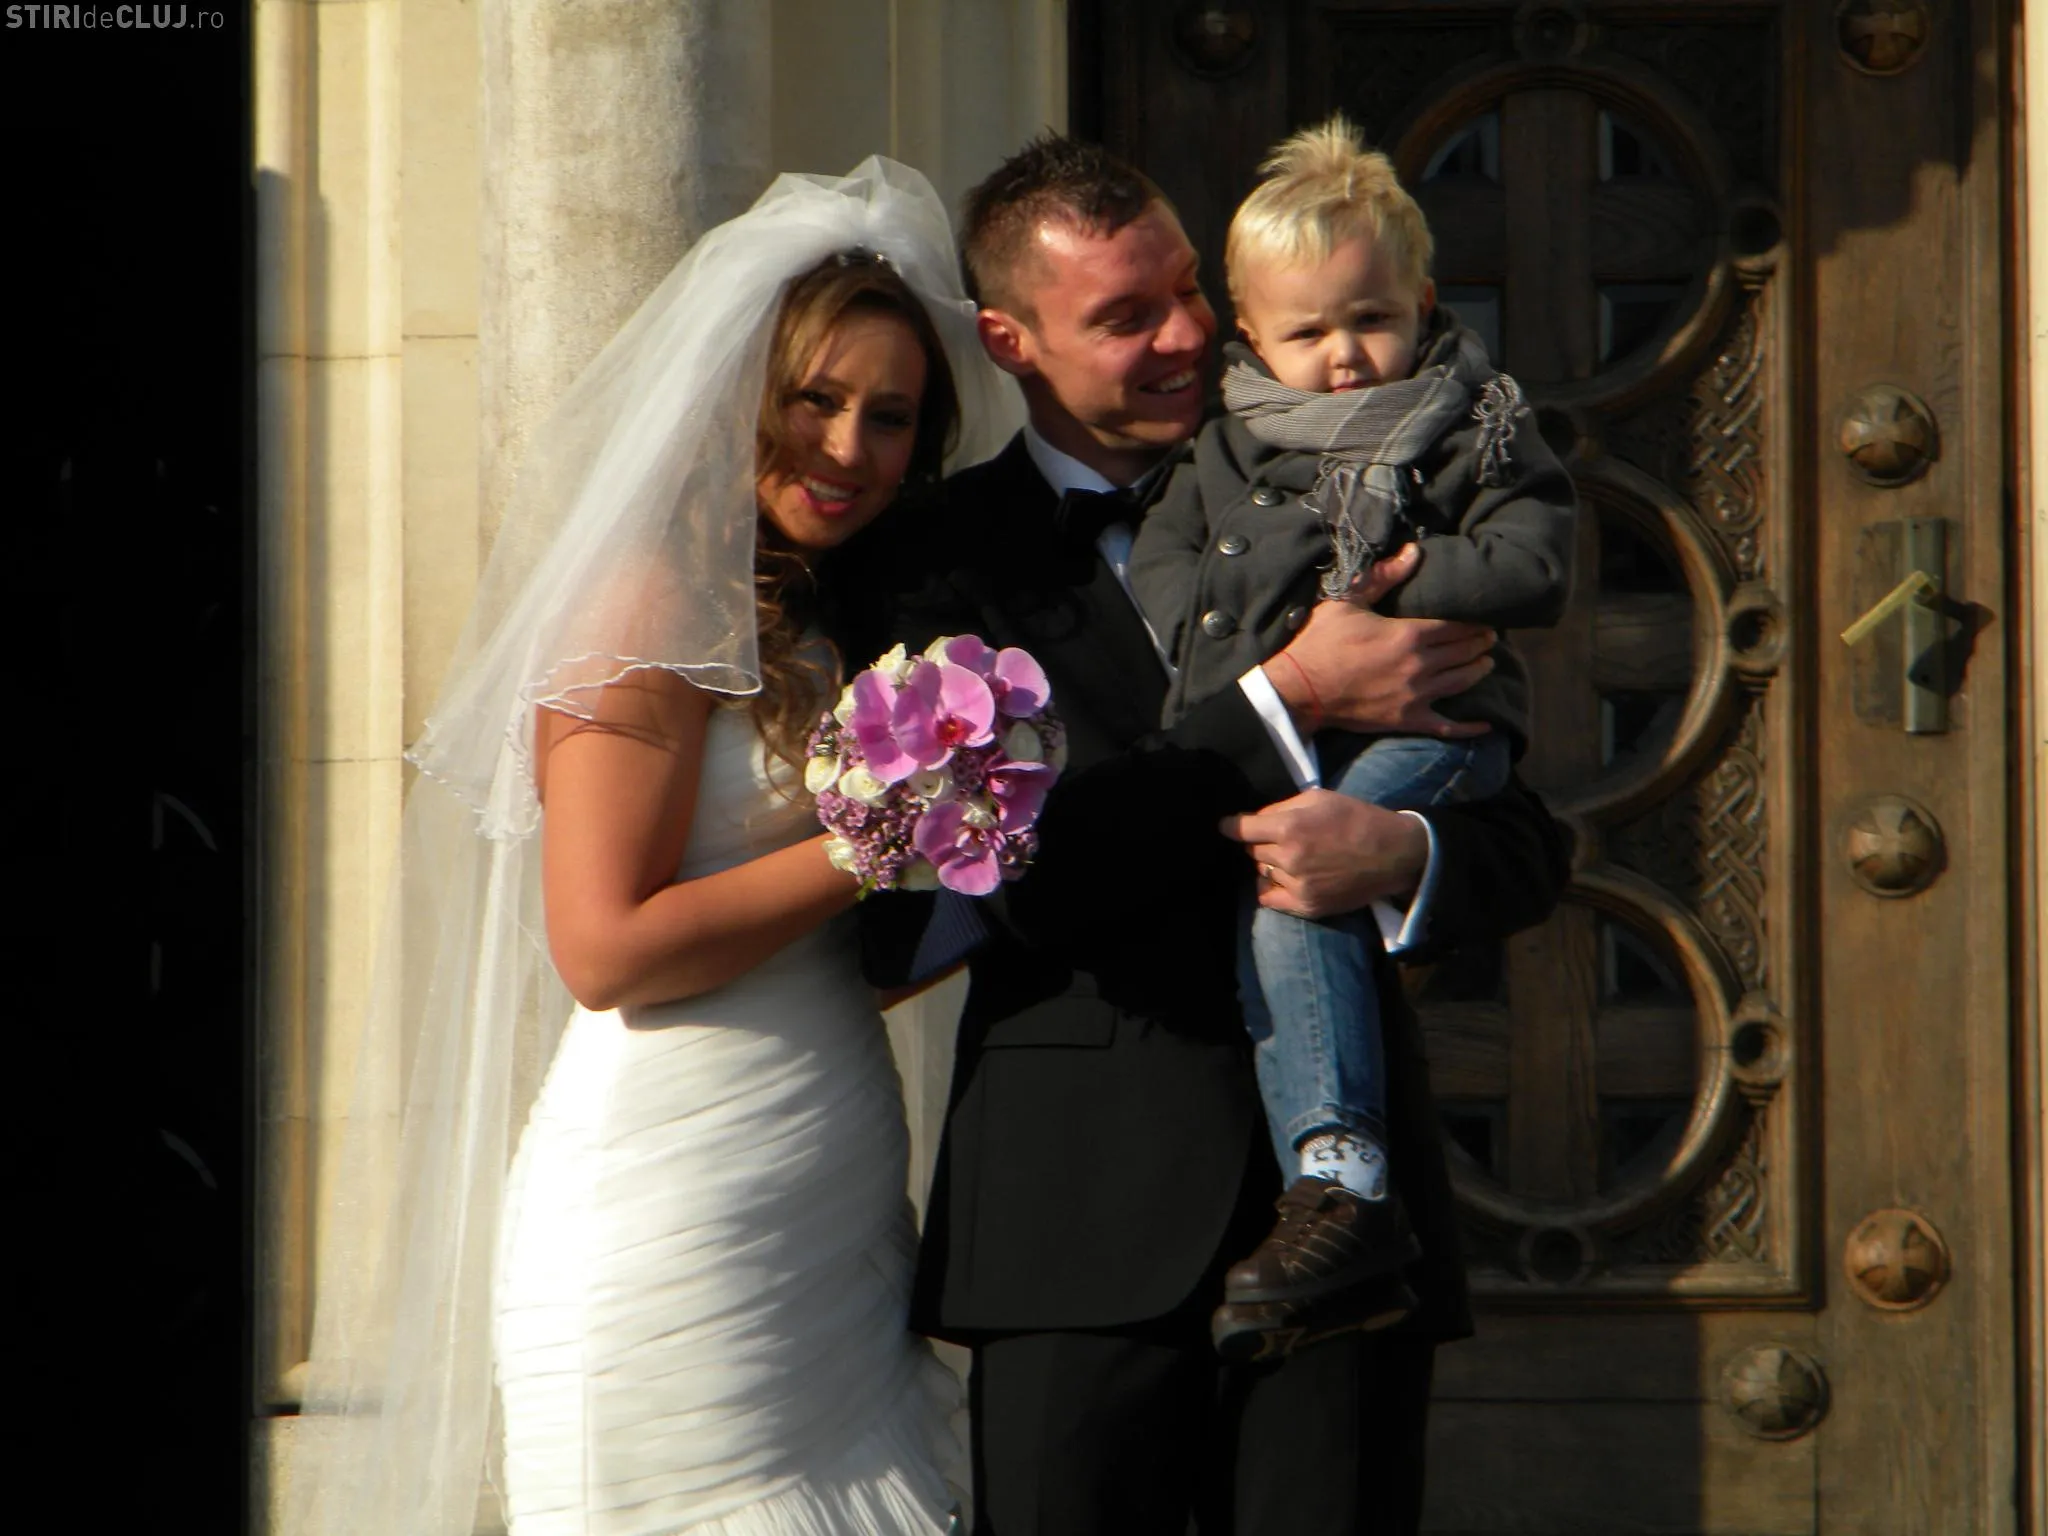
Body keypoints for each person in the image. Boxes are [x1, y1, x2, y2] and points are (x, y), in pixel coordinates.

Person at [844, 135, 1571, 1535]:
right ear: (1009, 342)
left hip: (1348, 1226)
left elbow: (1526, 835)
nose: (1185, 337)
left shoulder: (1366, 473)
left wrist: (1402, 861)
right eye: (1126, 317)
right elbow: (1028, 878)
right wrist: (1287, 698)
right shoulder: (928, 559)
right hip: (1075, 1215)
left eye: (1187, 292)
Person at [289, 159, 1022, 1536]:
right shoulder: (643, 606)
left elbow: (809, 937)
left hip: (826, 1174)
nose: (850, 448)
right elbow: (605, 950)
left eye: (890, 418)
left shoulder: (815, 625)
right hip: (672, 1198)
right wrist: (875, 839)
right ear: (741, 398)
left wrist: (977, 853)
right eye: (815, 401)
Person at [1126, 117, 1576, 1355]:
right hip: (1296, 729)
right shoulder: (1225, 443)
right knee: (1293, 877)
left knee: (1293, 887)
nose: (1341, 357)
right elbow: (1162, 569)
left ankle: (1341, 1180)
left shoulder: (1474, 418)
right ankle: (1334, 1187)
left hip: (1446, 722)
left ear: (1422, 304)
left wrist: (1411, 578)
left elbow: (1535, 558)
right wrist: (1273, 658)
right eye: (1307, 332)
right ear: (1249, 335)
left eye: (1368, 319)